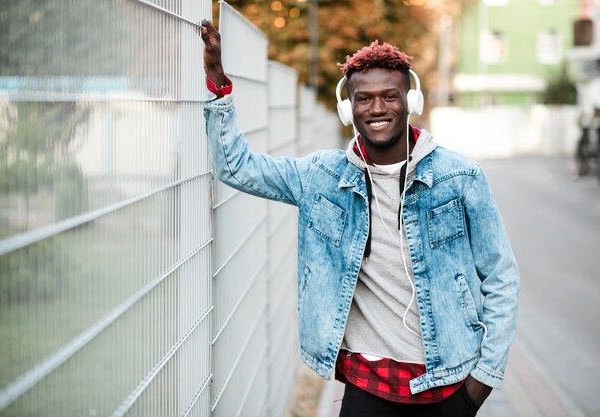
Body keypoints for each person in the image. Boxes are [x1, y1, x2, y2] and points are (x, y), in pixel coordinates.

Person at [201, 19, 519, 417]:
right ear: (347, 109)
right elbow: (237, 168)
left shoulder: (461, 178)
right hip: (367, 386)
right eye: (364, 99)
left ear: (411, 101)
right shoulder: (322, 176)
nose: (378, 108)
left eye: (390, 96)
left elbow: (502, 276)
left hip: (448, 385)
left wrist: (482, 380)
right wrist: (217, 83)